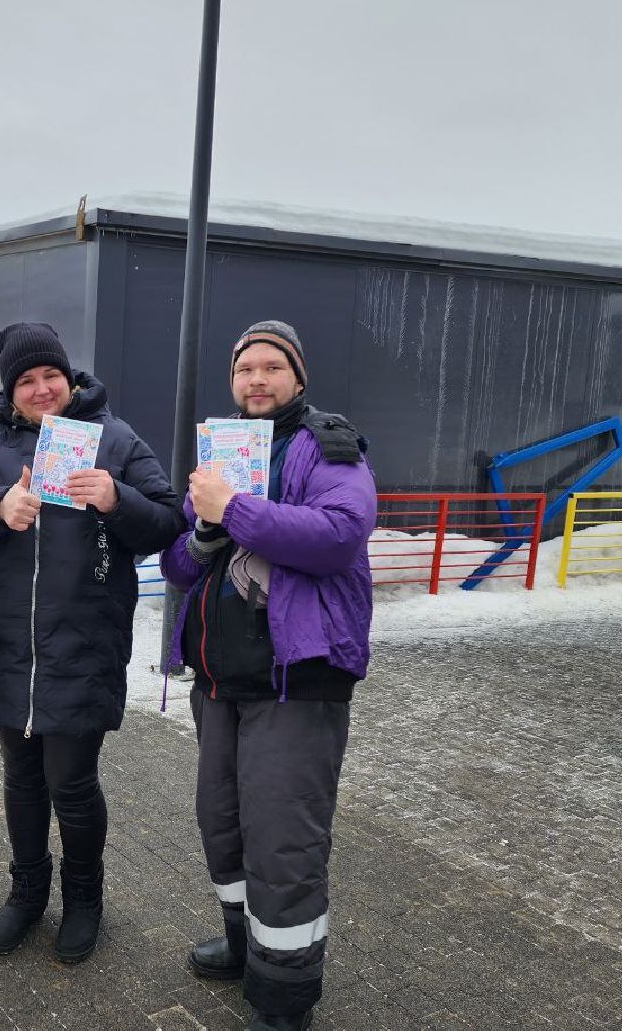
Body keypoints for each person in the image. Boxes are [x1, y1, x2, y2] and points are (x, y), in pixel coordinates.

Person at [0, 322, 185, 964]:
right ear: (11, 391)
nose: (42, 388)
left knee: (71, 782)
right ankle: (27, 894)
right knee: (21, 780)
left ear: (69, 377)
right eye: (26, 380)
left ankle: (84, 900)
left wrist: (116, 497)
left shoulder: (114, 437)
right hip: (9, 645)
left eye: (50, 375)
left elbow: (165, 520)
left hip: (83, 643)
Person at [160, 321, 376, 1031]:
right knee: (222, 828)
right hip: (221, 685)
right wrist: (202, 531)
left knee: (284, 842)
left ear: (298, 377)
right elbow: (178, 564)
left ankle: (284, 999)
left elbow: (340, 536)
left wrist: (237, 512)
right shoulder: (225, 452)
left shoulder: (328, 446)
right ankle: (243, 946)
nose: (256, 379)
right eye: (244, 368)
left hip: (297, 682)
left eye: (271, 366)